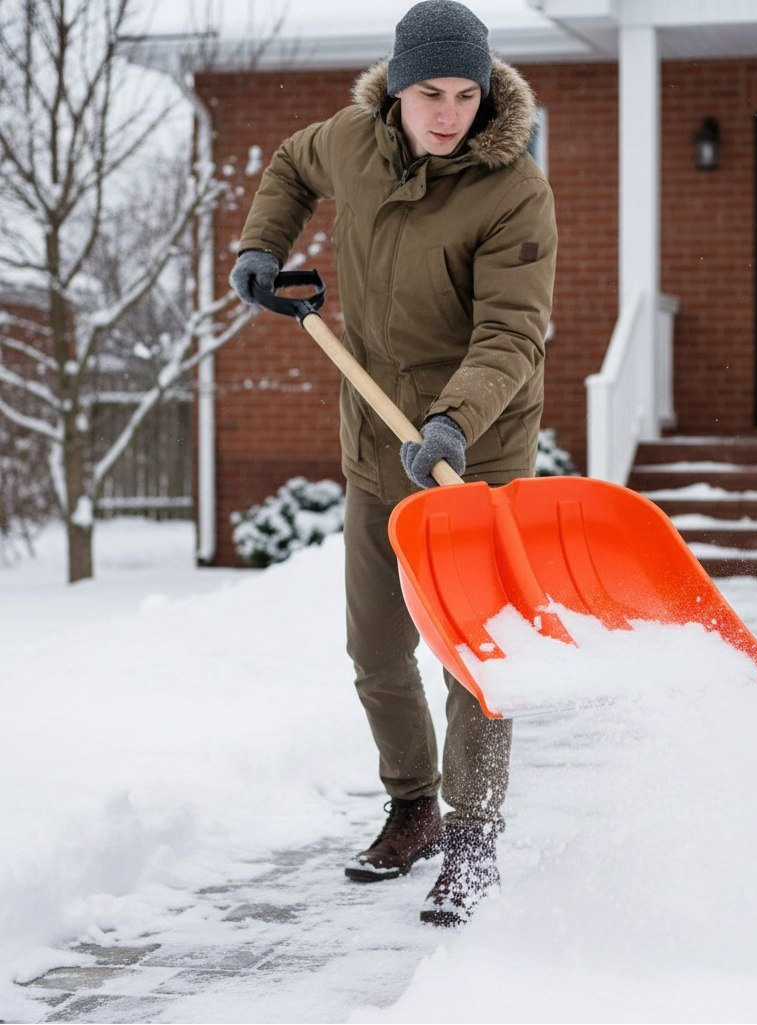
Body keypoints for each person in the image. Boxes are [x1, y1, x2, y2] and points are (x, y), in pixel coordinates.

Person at [229, 0, 557, 926]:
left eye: (464, 94)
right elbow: (293, 165)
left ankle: (474, 832)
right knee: (376, 646)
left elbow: (508, 334)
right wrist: (264, 244)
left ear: (485, 95)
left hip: (474, 454)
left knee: (473, 655)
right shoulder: (352, 142)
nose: (447, 112)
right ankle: (411, 805)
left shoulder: (513, 191)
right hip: (376, 442)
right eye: (428, 93)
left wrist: (451, 422)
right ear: (397, 92)